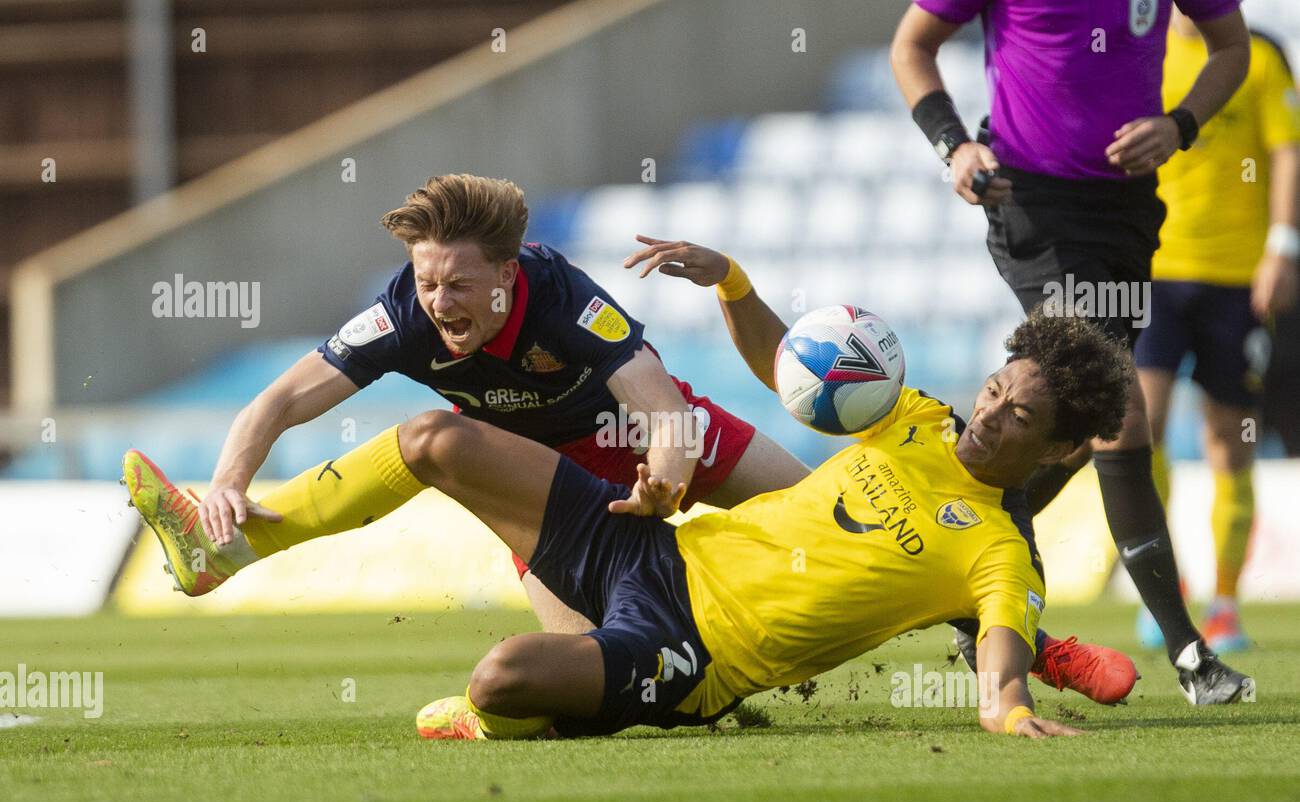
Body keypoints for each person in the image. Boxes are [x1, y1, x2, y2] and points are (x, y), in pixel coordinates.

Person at [409, 248, 1144, 742]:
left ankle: (505, 717)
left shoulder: (999, 552)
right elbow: (789, 366)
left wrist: (1010, 712)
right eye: (992, 390)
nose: (986, 414)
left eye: (1017, 417)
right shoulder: (918, 418)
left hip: (691, 650)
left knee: (502, 677)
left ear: (1060, 450)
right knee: (439, 440)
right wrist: (731, 279)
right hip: (661, 552)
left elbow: (999, 667)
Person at [121, 173, 808, 633]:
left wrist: (666, 482)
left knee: (821, 517)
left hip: (630, 437)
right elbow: (277, 402)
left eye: (458, 285)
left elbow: (662, 412)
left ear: (508, 274)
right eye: (427, 282)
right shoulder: (403, 317)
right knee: (584, 678)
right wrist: (226, 485)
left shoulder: (563, 299)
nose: (439, 303)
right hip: (530, 476)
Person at [890, 0, 1254, 703]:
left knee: (1080, 428)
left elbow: (1230, 47)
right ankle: (1190, 658)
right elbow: (911, 46)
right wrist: (956, 146)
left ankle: (959, 555)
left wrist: (1179, 125)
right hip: (1033, 206)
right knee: (1122, 409)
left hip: (1127, 212)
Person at [1135, 9, 1300, 652]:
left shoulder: (1256, 55)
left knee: (1229, 438)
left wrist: (1283, 247)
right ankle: (1163, 589)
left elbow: (1287, 153)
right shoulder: (1137, 51)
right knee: (1137, 426)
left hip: (1238, 279)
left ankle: (1225, 604)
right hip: (1150, 273)